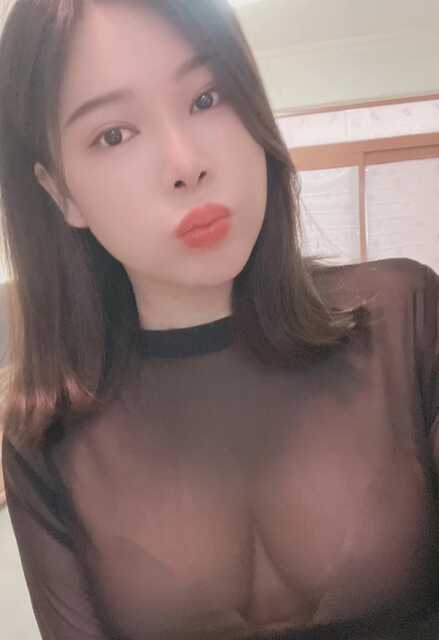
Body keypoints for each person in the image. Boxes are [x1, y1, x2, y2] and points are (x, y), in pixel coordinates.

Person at [0, 0, 438, 638]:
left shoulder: (406, 315)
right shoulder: (47, 437)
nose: (186, 164)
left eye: (207, 98)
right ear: (60, 192)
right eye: (114, 135)